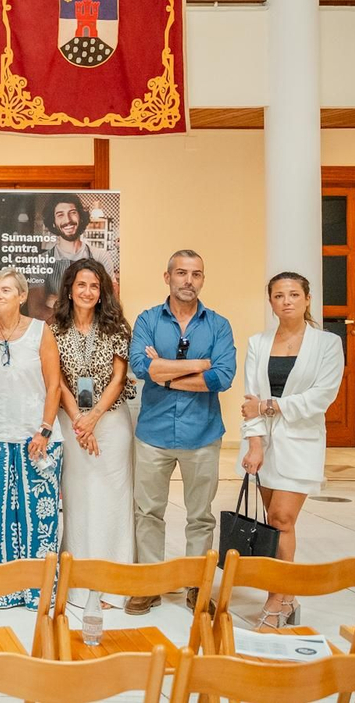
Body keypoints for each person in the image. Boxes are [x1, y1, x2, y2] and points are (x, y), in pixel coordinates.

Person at [125, 250, 236, 615]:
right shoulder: (147, 320)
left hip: (202, 433)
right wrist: (197, 366)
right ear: (167, 276)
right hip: (153, 432)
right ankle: (150, 584)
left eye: (197, 274)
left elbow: (222, 376)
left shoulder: (218, 325)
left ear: (203, 280)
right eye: (182, 273)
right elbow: (143, 368)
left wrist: (168, 372)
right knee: (148, 512)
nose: (189, 280)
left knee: (200, 516)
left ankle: (196, 586)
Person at [238, 272, 344, 629]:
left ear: (307, 299)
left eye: (294, 294)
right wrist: (254, 443)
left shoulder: (327, 344)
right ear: (270, 302)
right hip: (264, 447)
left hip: (301, 444)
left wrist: (271, 407)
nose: (287, 301)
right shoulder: (258, 342)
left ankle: (274, 600)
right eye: (279, 295)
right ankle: (288, 594)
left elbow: (321, 397)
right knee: (275, 524)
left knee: (282, 518)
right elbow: (250, 398)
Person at [0, 267, 63, 610]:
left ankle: (37, 591)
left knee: (38, 517)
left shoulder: (41, 332)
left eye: (6, 290)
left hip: (36, 437)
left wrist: (44, 429)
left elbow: (54, 385)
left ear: (22, 296)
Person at [50, 257, 134, 609]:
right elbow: (59, 381)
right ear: (70, 288)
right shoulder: (53, 327)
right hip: (71, 423)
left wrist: (94, 416)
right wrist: (78, 420)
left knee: (113, 500)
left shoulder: (116, 327)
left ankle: (113, 584)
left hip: (111, 421)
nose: (87, 291)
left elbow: (118, 379)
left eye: (94, 286)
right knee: (80, 499)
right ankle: (80, 584)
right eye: (81, 284)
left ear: (102, 293)